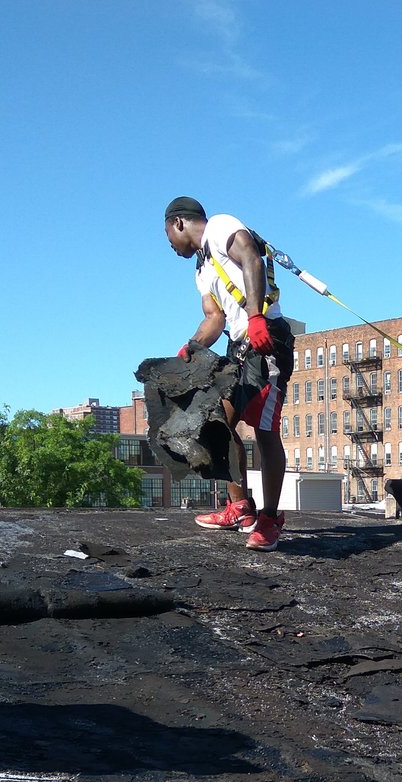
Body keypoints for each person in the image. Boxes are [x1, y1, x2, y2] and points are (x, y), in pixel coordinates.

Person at [163, 196, 294, 551]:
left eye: (168, 238)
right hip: (237, 348)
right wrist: (190, 347)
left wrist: (255, 317)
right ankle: (240, 508)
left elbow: (250, 256)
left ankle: (270, 519)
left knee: (265, 430)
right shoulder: (202, 270)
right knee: (215, 424)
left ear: (178, 223)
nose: (172, 248)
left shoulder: (220, 226)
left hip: (266, 339)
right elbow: (214, 319)